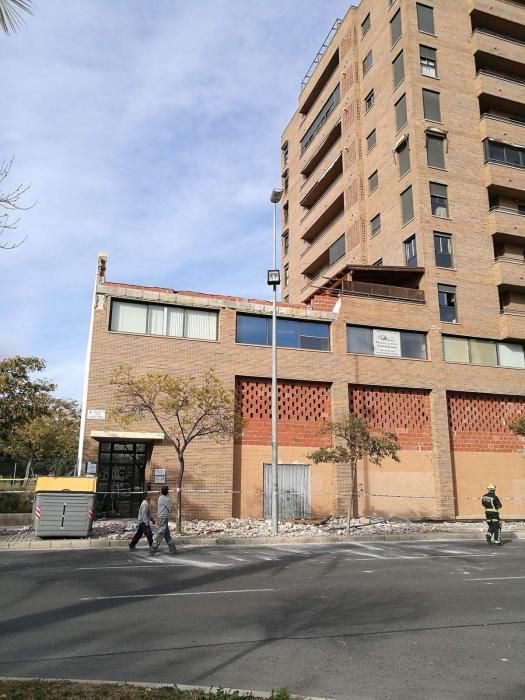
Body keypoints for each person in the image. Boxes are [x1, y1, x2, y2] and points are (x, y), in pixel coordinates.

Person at [150, 485, 177, 554]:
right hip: (164, 517)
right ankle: (172, 549)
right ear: (167, 491)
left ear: (162, 491)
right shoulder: (167, 499)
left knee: (163, 533)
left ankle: (154, 548)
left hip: (161, 517)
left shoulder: (160, 498)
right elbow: (170, 509)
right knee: (163, 533)